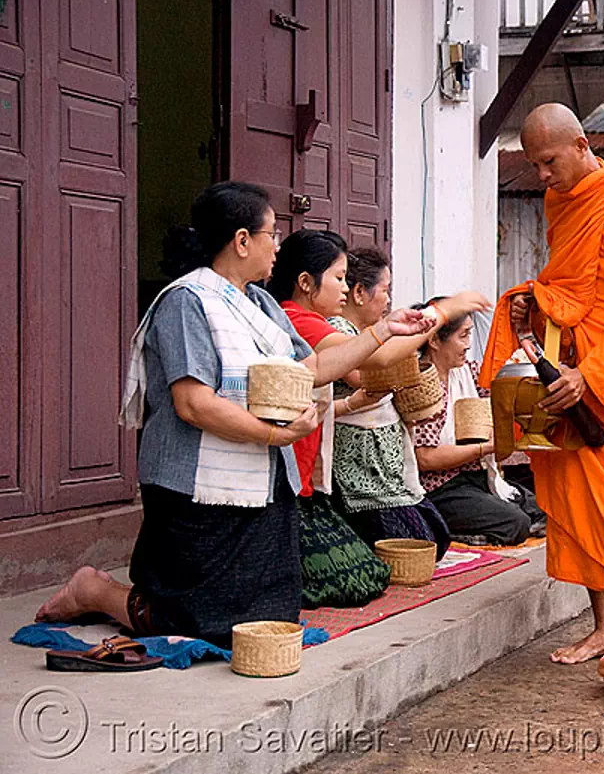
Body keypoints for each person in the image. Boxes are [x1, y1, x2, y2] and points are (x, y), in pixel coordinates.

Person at [35, 182, 436, 645]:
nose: (277, 246)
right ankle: (95, 591)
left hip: (261, 484)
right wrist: (273, 436)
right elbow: (193, 403)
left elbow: (313, 368)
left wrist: (385, 330)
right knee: (197, 623)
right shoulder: (186, 302)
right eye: (272, 234)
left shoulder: (261, 303)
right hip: (197, 489)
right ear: (242, 240)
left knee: (269, 614)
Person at [480, 103, 604, 684]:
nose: (542, 176)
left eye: (548, 162)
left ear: (581, 144)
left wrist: (593, 374)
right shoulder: (558, 202)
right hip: (564, 369)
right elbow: (569, 282)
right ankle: (597, 627)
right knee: (574, 506)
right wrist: (534, 302)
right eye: (535, 165)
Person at [269, 231, 487, 607]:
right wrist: (444, 310)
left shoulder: (313, 321)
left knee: (414, 547)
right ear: (306, 283)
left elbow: (367, 366)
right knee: (358, 580)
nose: (344, 286)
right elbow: (375, 362)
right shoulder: (299, 321)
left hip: (308, 479)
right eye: (338, 277)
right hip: (316, 479)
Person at [324, 246, 453, 551]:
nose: (387, 300)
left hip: (384, 471)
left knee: (436, 536)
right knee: (420, 541)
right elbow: (360, 375)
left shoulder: (367, 331)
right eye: (385, 290)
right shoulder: (338, 328)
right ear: (359, 292)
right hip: (358, 472)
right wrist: (437, 317)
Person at [413, 302, 545, 547]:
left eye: (470, 334)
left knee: (545, 510)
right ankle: (443, 530)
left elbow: (503, 378)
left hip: (478, 479)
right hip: (443, 489)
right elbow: (426, 458)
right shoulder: (422, 385)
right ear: (434, 341)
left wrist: (523, 331)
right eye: (462, 335)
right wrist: (486, 448)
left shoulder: (468, 373)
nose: (469, 344)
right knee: (516, 523)